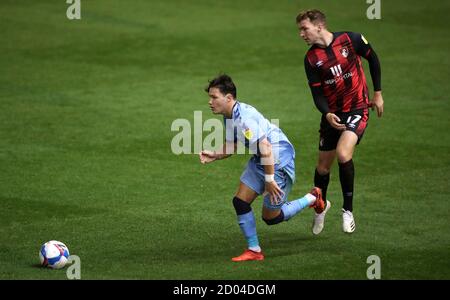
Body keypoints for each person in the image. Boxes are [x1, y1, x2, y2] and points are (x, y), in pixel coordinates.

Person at [199, 74, 325, 261]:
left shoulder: (245, 119)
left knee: (271, 218)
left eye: (214, 97)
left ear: (228, 98)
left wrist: (269, 180)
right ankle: (254, 250)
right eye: (209, 97)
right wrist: (216, 155)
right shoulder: (229, 116)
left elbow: (266, 148)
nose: (210, 102)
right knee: (240, 202)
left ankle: (313, 198)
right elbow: (233, 143)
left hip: (279, 160)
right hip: (262, 158)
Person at [296, 9, 384, 234]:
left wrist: (378, 93)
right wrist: (326, 114)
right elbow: (317, 95)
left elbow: (373, 58)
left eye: (304, 28)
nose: (301, 34)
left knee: (344, 154)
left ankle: (348, 211)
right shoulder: (311, 59)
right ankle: (320, 207)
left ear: (318, 26)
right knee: (322, 168)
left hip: (357, 109)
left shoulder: (350, 39)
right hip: (332, 115)